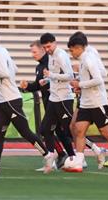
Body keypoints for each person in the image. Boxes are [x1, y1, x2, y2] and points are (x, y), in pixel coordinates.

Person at [0, 29, 51, 176]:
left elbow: (5, 73)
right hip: (4, 101)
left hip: (11, 100)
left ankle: (48, 156)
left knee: (25, 131)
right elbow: (14, 69)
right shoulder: (3, 51)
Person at [65, 33, 108, 173]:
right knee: (78, 130)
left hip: (97, 102)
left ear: (78, 48)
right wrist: (80, 85)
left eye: (72, 50)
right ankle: (79, 161)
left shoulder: (89, 59)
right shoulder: (83, 59)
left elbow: (99, 79)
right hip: (85, 102)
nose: (71, 53)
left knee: (105, 131)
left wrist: (80, 84)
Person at [20, 40, 70, 169]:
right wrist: (27, 87)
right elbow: (38, 85)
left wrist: (49, 80)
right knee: (52, 130)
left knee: (65, 130)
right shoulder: (39, 67)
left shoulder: (51, 62)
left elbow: (64, 76)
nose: (32, 55)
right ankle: (63, 156)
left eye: (34, 52)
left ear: (43, 50)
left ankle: (74, 156)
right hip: (49, 102)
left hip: (60, 101)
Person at [38, 33, 77, 169]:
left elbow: (70, 76)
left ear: (55, 43)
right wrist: (46, 80)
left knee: (71, 130)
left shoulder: (61, 55)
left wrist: (51, 75)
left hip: (64, 98)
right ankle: (51, 162)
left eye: (49, 46)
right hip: (54, 98)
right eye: (44, 47)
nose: (47, 49)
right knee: (45, 129)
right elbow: (55, 75)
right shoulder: (50, 55)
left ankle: (92, 150)